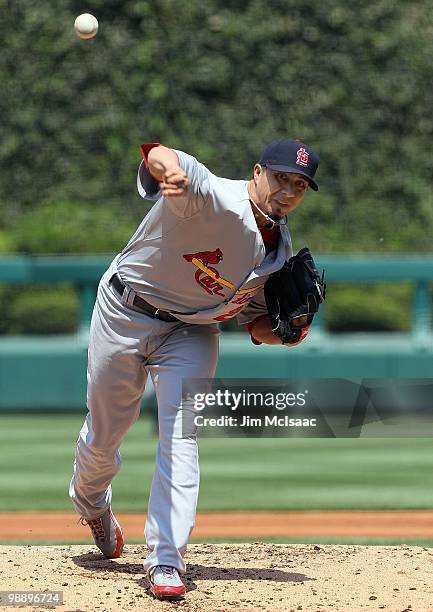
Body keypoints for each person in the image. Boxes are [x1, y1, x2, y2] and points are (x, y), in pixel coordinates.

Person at [69, 138, 319, 600]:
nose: (288, 190)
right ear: (258, 171)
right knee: (106, 432)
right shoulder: (210, 194)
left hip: (191, 332)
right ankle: (91, 503)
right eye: (282, 177)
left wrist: (289, 332)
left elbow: (257, 326)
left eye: (299, 185)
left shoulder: (277, 252)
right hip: (125, 309)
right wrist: (169, 172)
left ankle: (166, 557)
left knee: (181, 434)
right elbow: (159, 153)